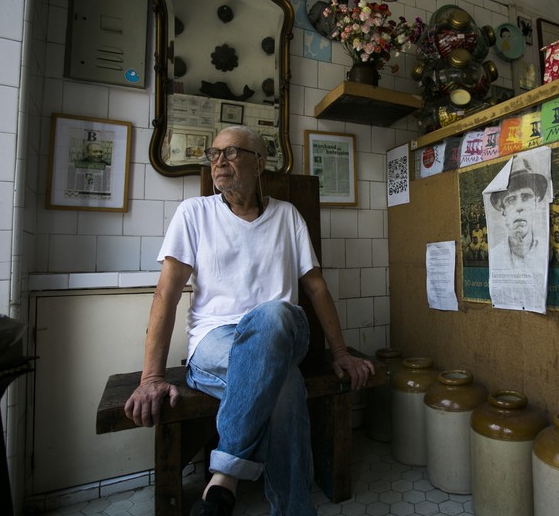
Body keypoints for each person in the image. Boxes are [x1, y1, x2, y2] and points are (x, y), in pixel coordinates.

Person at [124, 126, 374, 516]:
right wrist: (151, 378)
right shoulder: (194, 213)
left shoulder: (287, 216)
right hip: (215, 342)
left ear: (260, 164)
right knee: (285, 386)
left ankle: (225, 474)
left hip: (284, 330)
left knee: (272, 313)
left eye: (232, 152)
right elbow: (166, 295)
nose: (219, 161)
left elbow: (316, 288)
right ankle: (290, 508)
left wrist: (340, 351)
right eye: (214, 153)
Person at [488, 159, 549, 271]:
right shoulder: (494, 256)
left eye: (526, 197)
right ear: (503, 210)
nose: (519, 207)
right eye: (510, 200)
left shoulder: (547, 251)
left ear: (536, 203)